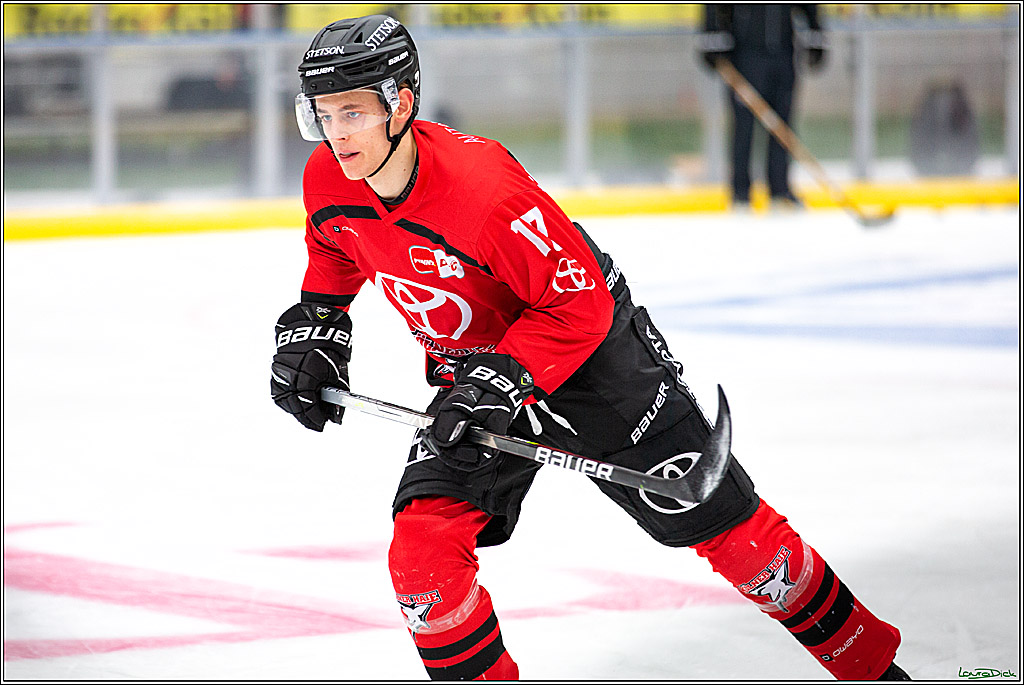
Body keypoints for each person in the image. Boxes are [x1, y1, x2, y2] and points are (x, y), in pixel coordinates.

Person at [270, 15, 909, 681]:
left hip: (592, 357)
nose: (337, 133)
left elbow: (580, 305)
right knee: (421, 558)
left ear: (400, 103)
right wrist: (320, 324)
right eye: (322, 115)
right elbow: (337, 247)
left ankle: (873, 667)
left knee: (735, 536)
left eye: (352, 112)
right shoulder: (329, 178)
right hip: (478, 379)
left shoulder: (483, 190)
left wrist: (504, 378)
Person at [699, 4, 826, 210]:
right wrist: (712, 38)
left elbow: (809, 7)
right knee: (743, 126)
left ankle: (779, 190)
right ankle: (740, 192)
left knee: (782, 123)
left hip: (784, 53)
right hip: (745, 56)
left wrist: (816, 35)